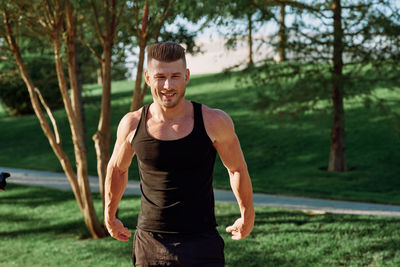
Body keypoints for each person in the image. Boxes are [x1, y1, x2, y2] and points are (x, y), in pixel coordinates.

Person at [104, 42, 255, 266]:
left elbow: (236, 169)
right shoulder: (132, 124)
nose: (168, 84)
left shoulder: (214, 121)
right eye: (160, 77)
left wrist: (247, 215)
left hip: (202, 242)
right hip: (150, 243)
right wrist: (110, 213)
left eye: (175, 76)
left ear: (186, 76)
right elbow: (117, 169)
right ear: (147, 78)